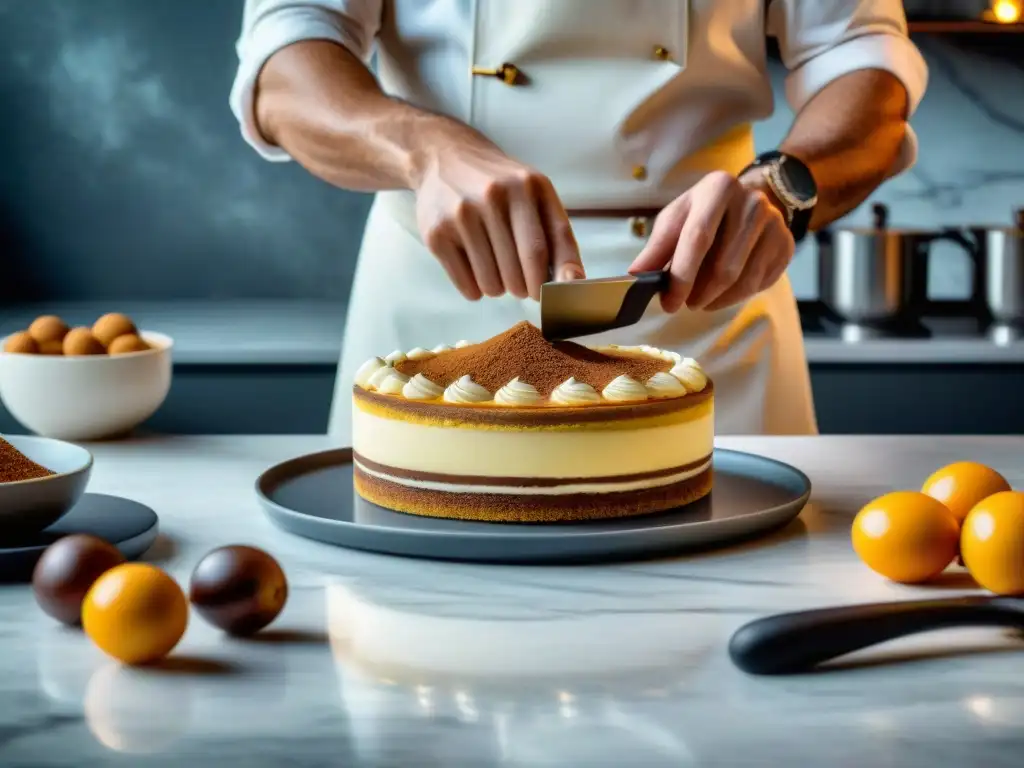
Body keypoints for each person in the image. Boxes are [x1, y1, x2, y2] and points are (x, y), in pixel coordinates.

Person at [230, 1, 927, 440]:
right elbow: (287, 58)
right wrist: (423, 148)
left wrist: (779, 188)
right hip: (434, 310)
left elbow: (860, 57)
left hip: (702, 303)